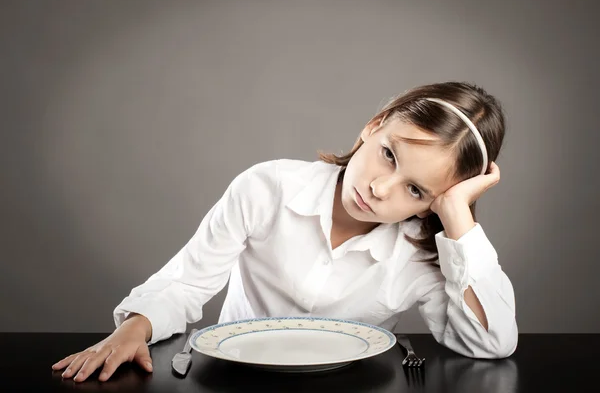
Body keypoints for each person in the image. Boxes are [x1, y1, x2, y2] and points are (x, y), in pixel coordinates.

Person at [52, 81, 518, 382]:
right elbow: (188, 281)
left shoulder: (422, 251)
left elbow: (490, 344)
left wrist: (460, 217)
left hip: (351, 386)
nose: (379, 188)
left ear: (434, 201)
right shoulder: (269, 187)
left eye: (415, 190)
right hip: (231, 379)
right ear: (374, 126)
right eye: (388, 155)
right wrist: (135, 326)